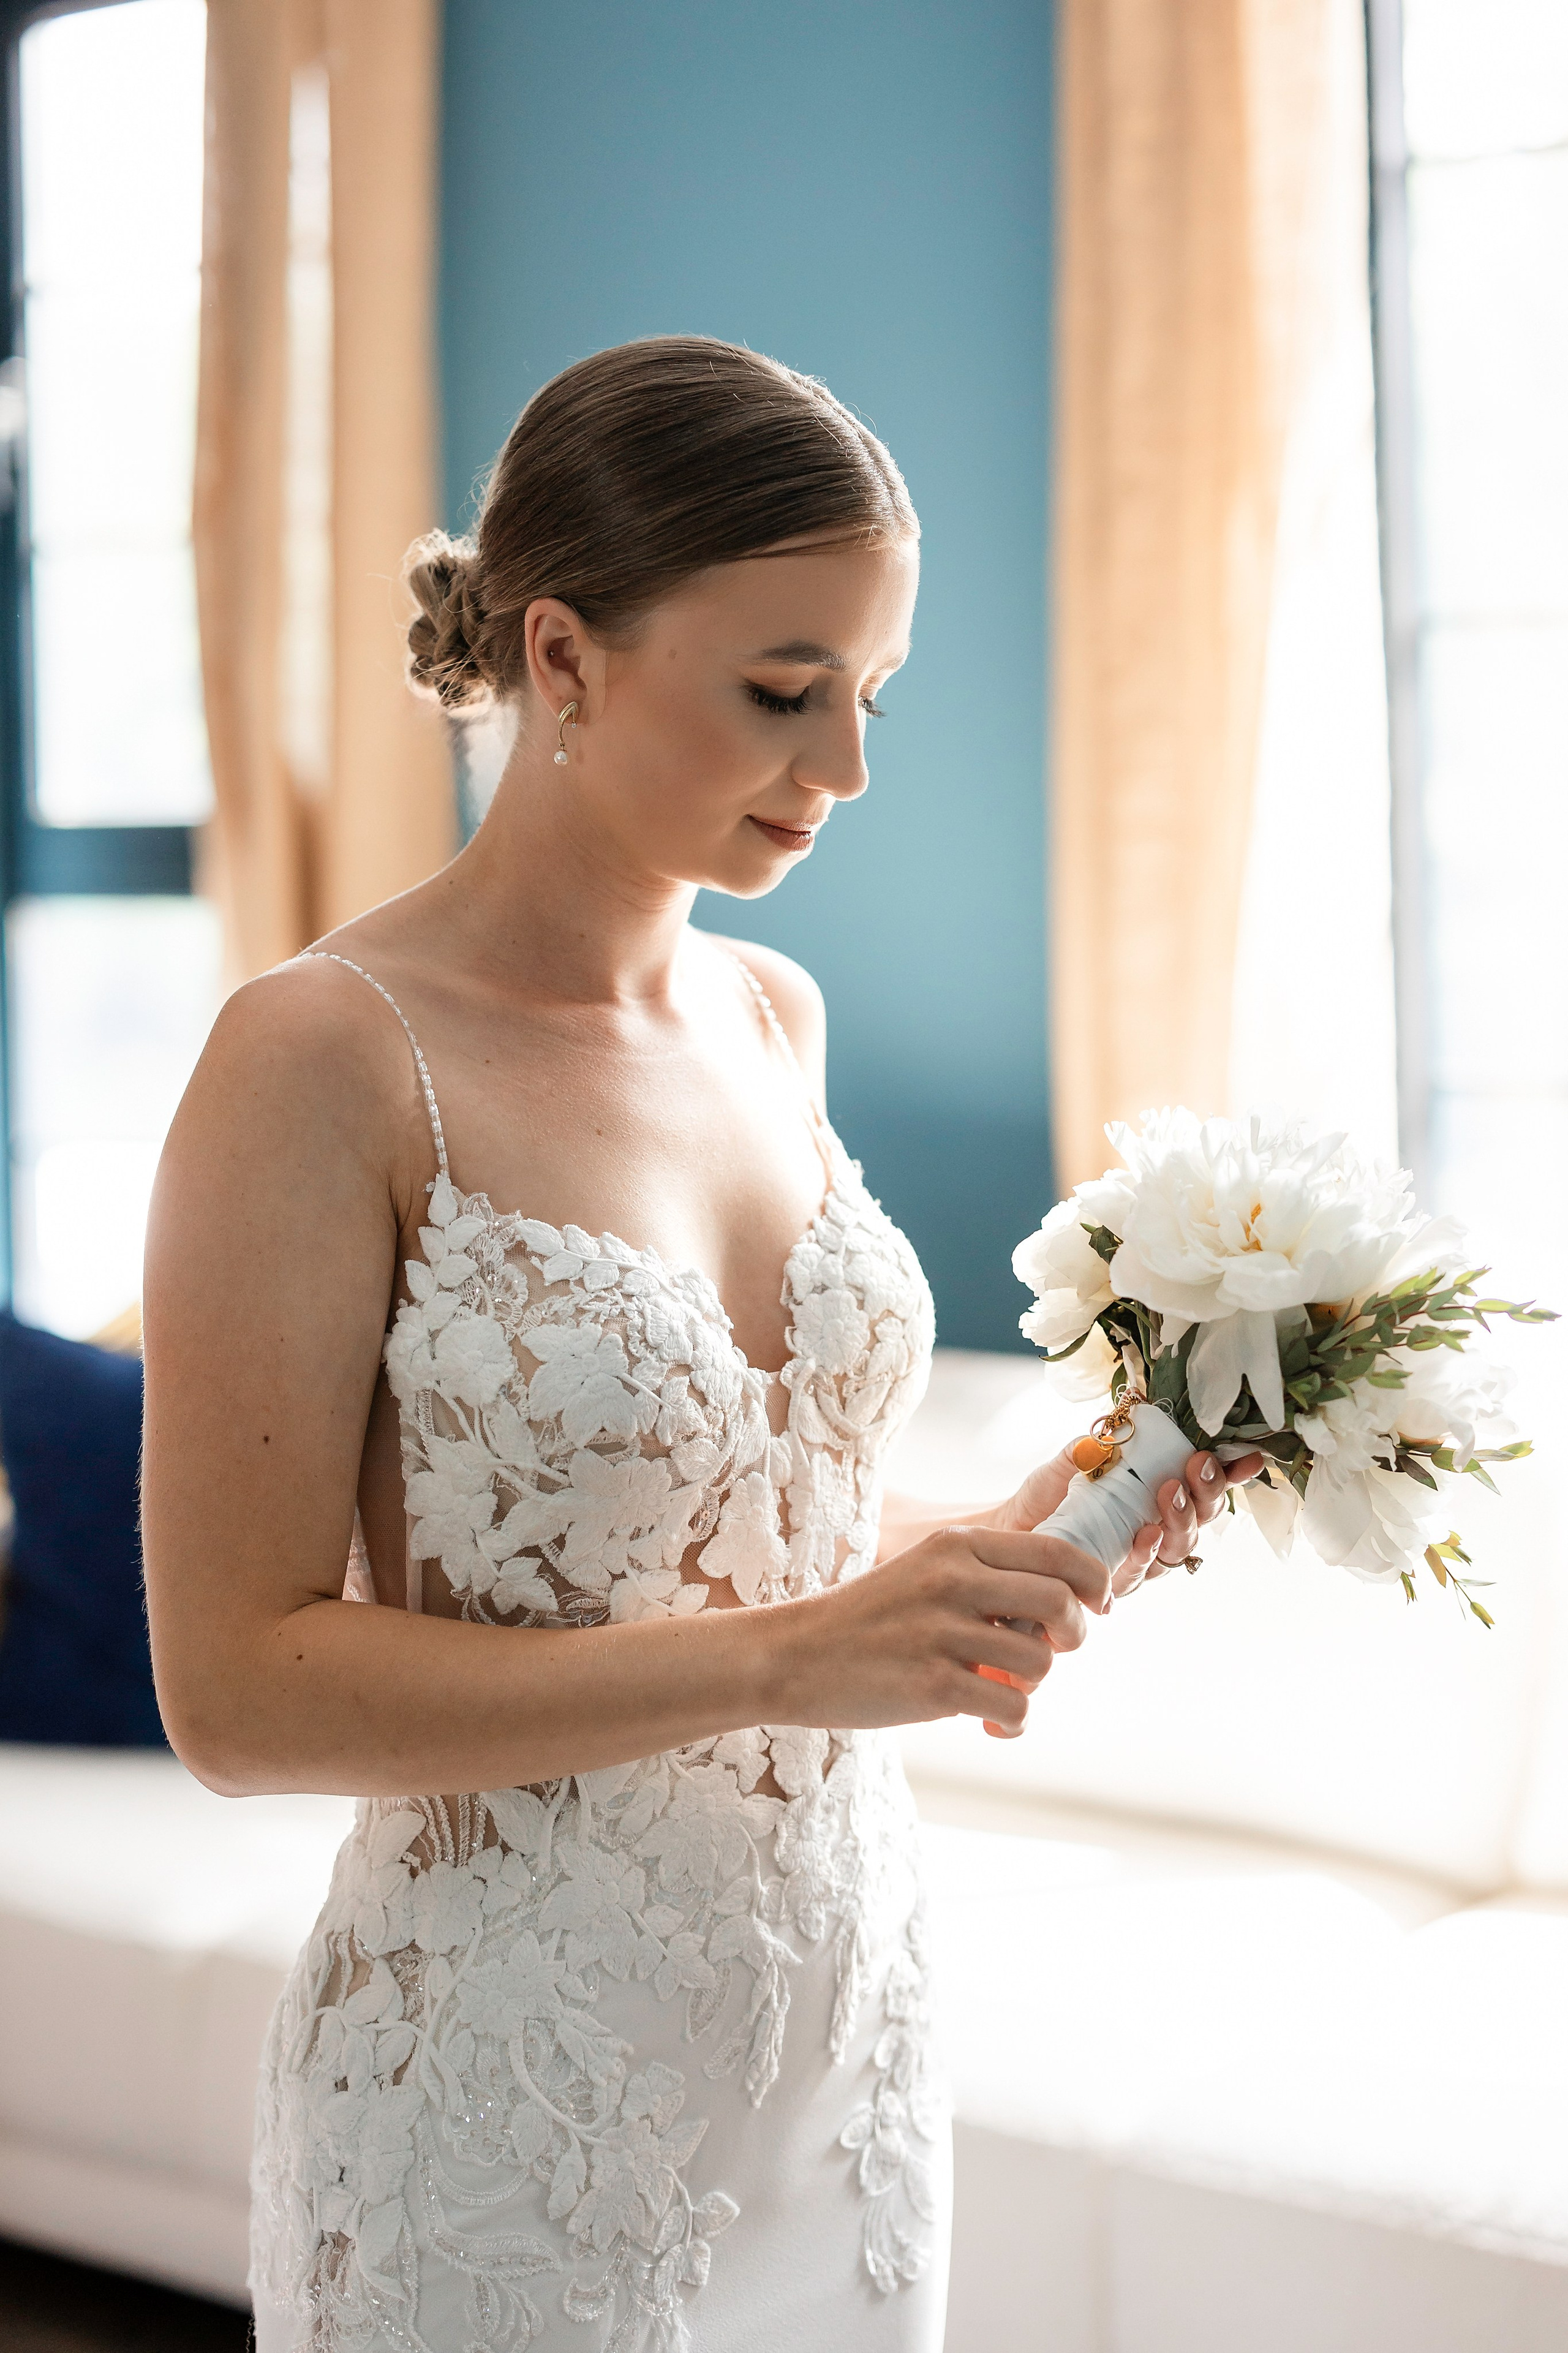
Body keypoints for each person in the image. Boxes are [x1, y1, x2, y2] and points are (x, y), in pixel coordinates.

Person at [142, 336, 1252, 2353]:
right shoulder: (322, 1058)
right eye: (781, 690)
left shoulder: (774, 1021)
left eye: (870, 695)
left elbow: (751, 1510)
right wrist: (785, 1660)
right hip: (507, 2110)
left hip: (843, 2051)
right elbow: (234, 1689)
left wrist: (999, 1539)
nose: (841, 771)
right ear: (558, 658)